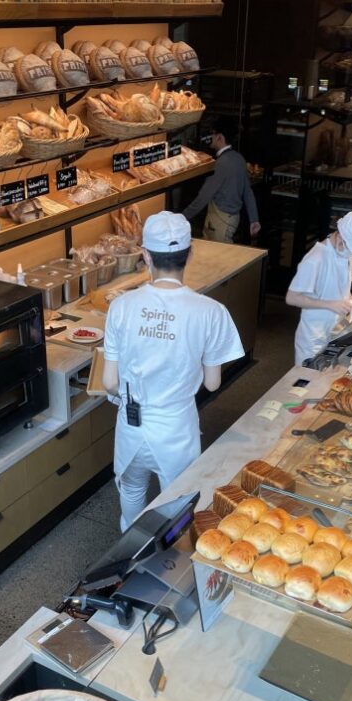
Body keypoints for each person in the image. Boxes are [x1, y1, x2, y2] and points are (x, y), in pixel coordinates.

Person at [103, 211, 244, 531]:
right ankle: (170, 565)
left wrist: (123, 392)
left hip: (132, 428)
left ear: (145, 256)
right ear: (190, 253)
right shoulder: (211, 312)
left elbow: (110, 382)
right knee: (178, 509)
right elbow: (212, 382)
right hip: (177, 430)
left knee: (133, 495)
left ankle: (132, 559)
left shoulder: (121, 307)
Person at [286, 210, 352, 367]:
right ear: (340, 235)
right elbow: (292, 297)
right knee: (307, 383)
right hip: (313, 337)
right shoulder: (315, 260)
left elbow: (345, 286)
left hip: (336, 331)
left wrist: (351, 302)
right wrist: (329, 304)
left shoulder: (346, 252)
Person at [182, 119, 261, 244]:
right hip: (232, 219)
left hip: (220, 221)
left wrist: (182, 217)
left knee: (220, 259)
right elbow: (248, 192)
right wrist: (254, 219)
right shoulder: (239, 158)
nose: (210, 137)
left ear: (220, 137)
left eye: (212, 133)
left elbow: (204, 196)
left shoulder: (221, 163)